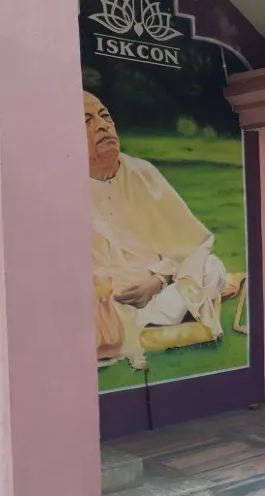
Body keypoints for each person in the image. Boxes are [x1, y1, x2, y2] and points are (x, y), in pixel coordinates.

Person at [86, 91, 228, 367]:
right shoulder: (61, 186)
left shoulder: (141, 172)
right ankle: (139, 326)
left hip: (157, 285)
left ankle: (139, 326)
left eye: (105, 117)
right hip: (108, 298)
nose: (103, 126)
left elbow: (189, 243)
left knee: (212, 267)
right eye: (86, 121)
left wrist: (157, 281)